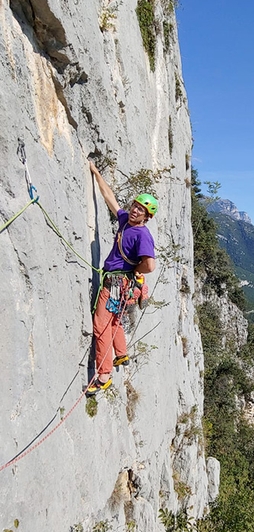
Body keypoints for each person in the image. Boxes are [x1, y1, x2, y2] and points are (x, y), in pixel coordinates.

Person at [88, 160, 157, 394]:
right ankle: (121, 354)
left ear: (147, 217)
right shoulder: (126, 220)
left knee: (100, 325)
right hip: (121, 284)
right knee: (115, 320)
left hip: (117, 283)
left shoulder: (142, 235)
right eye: (136, 206)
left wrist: (134, 270)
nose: (135, 210)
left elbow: (150, 265)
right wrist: (96, 173)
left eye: (141, 210)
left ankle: (104, 374)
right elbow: (110, 199)